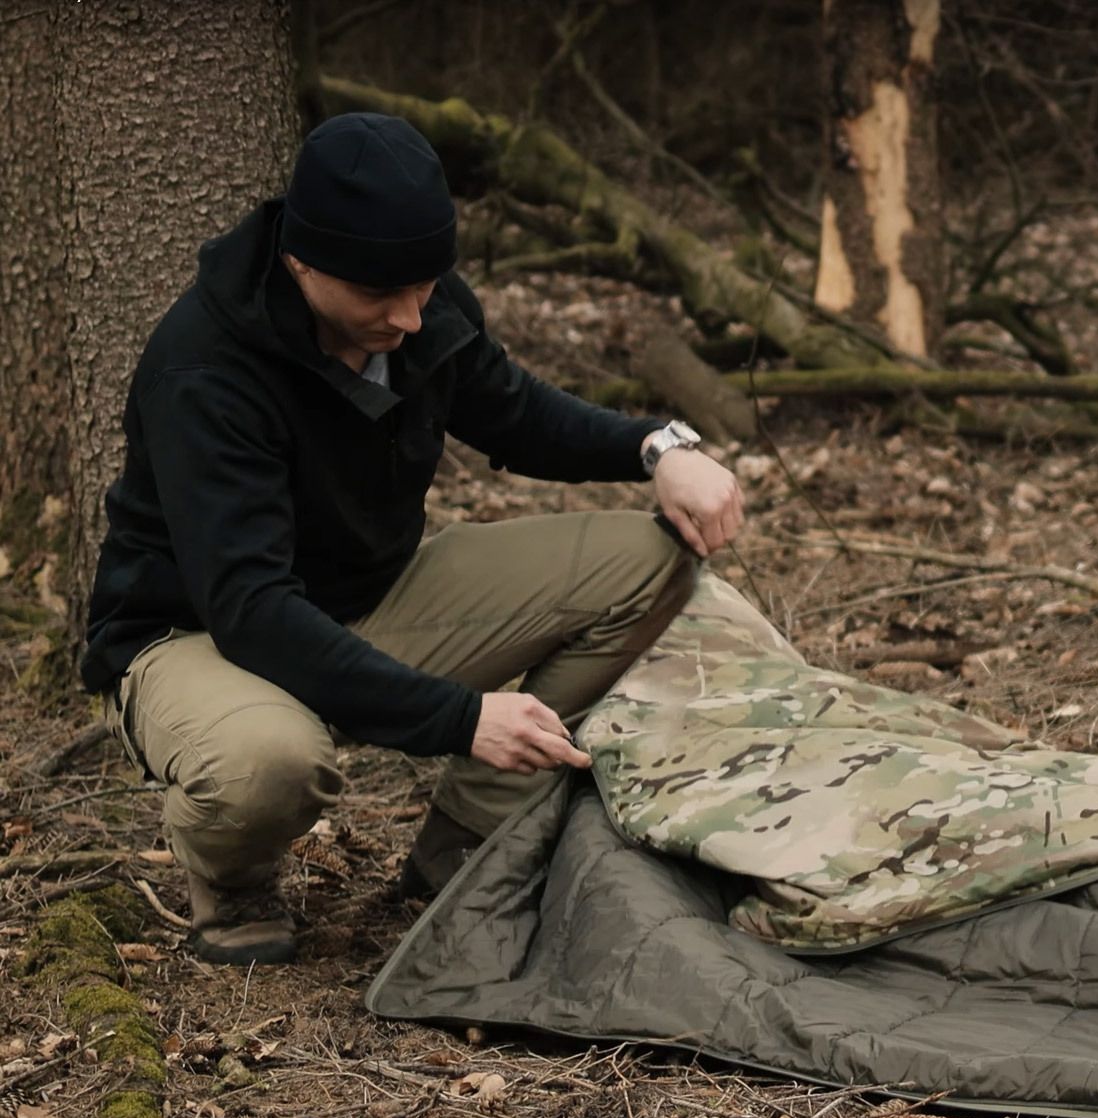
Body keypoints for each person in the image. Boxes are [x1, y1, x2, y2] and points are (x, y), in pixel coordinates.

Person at [79, 112, 743, 966]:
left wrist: (658, 447)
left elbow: (517, 413)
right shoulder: (205, 368)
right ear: (302, 262)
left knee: (650, 561)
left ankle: (461, 844)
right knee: (269, 763)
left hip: (369, 599)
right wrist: (460, 718)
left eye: (425, 285)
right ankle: (233, 879)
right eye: (380, 294)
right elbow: (250, 608)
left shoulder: (418, 303)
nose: (411, 317)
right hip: (199, 637)